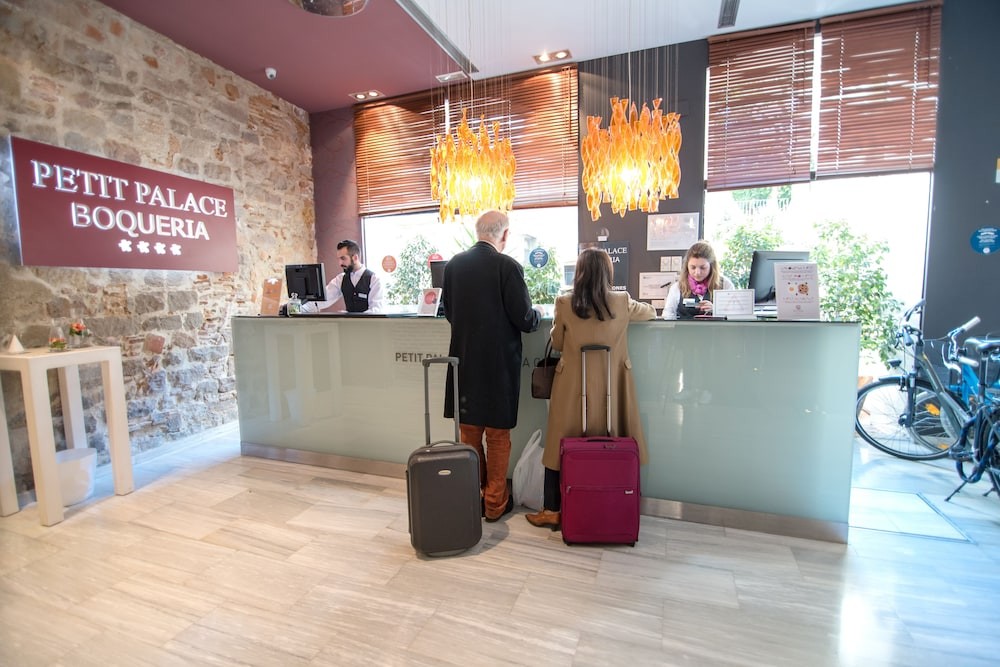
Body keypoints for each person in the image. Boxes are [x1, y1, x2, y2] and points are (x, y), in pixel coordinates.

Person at [525, 248, 655, 530]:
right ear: (608, 272)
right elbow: (650, 312)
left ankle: (552, 509)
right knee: (615, 440)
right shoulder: (622, 301)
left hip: (572, 384)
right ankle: (613, 501)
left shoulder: (564, 302)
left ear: (579, 272)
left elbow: (558, 343)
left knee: (558, 444)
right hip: (613, 384)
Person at [443, 210, 542, 522]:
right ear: (505, 234)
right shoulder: (507, 266)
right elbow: (525, 319)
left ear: (478, 232)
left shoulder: (453, 265)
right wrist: (538, 314)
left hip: (464, 361)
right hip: (498, 365)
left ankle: (475, 496)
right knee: (498, 436)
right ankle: (495, 504)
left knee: (469, 433)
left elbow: (449, 312)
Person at [300, 239, 384, 314]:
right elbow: (322, 300)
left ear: (355, 258)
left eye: (343, 258)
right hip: (348, 326)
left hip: (369, 326)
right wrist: (298, 308)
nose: (340, 263)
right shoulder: (340, 279)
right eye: (339, 259)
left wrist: (352, 318)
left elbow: (376, 310)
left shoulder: (374, 279)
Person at [661, 240, 734, 320]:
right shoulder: (677, 287)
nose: (697, 272)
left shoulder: (725, 285)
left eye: (703, 267)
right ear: (687, 266)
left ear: (711, 266)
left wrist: (716, 310)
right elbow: (668, 315)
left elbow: (734, 316)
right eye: (693, 267)